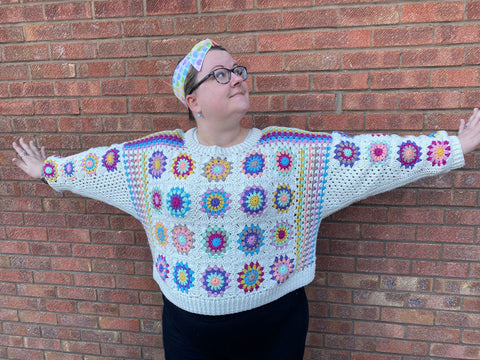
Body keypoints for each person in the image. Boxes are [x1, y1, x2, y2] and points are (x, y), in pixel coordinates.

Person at [11, 38, 480, 360]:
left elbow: (370, 158)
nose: (236, 78)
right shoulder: (153, 160)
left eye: (238, 70)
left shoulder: (289, 155)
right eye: (220, 75)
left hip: (275, 323)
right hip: (187, 331)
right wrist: (47, 170)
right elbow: (97, 167)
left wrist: (451, 148)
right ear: (191, 101)